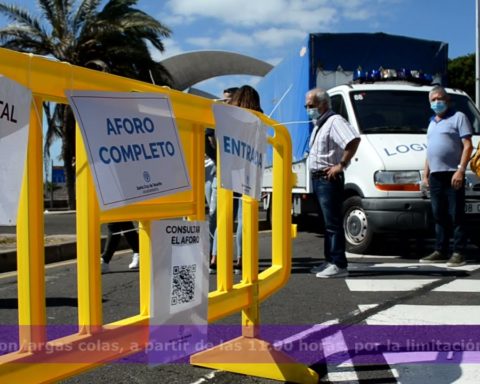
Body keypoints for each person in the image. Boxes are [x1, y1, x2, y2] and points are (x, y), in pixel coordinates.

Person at [305, 87, 360, 278]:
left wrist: (341, 164)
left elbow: (353, 140)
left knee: (332, 223)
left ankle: (339, 263)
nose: (308, 109)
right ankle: (329, 260)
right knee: (325, 223)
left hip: (329, 178)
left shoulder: (334, 121)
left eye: (311, 105)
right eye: (306, 105)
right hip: (319, 178)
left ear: (323, 103)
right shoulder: (319, 123)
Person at [419, 85, 473, 267]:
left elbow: (467, 145)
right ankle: (440, 250)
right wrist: (425, 176)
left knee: (456, 214)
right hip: (435, 176)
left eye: (439, 99)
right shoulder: (432, 122)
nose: (436, 102)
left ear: (448, 100)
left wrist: (460, 169)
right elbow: (430, 151)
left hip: (453, 174)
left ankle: (459, 252)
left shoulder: (459, 118)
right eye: (433, 100)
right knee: (438, 214)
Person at [206, 87, 238, 274]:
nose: (225, 102)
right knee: (216, 214)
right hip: (220, 173)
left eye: (229, 99)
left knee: (225, 216)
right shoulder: (219, 116)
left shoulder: (238, 118)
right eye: (224, 99)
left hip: (231, 174)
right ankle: (212, 255)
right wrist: (219, 160)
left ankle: (216, 256)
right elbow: (206, 136)